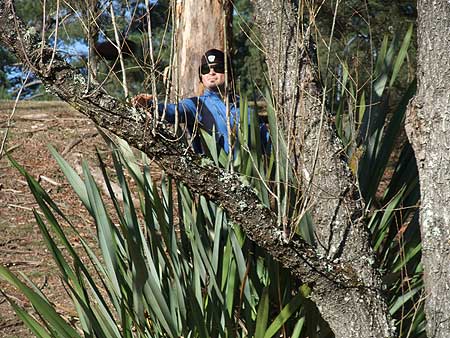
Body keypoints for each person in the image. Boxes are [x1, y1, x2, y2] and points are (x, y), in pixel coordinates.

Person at [133, 49, 268, 154]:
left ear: (230, 74)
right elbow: (172, 111)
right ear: (201, 77)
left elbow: (268, 146)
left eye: (218, 68)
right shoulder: (195, 105)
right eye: (205, 69)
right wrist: (149, 105)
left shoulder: (247, 110)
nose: (211, 72)